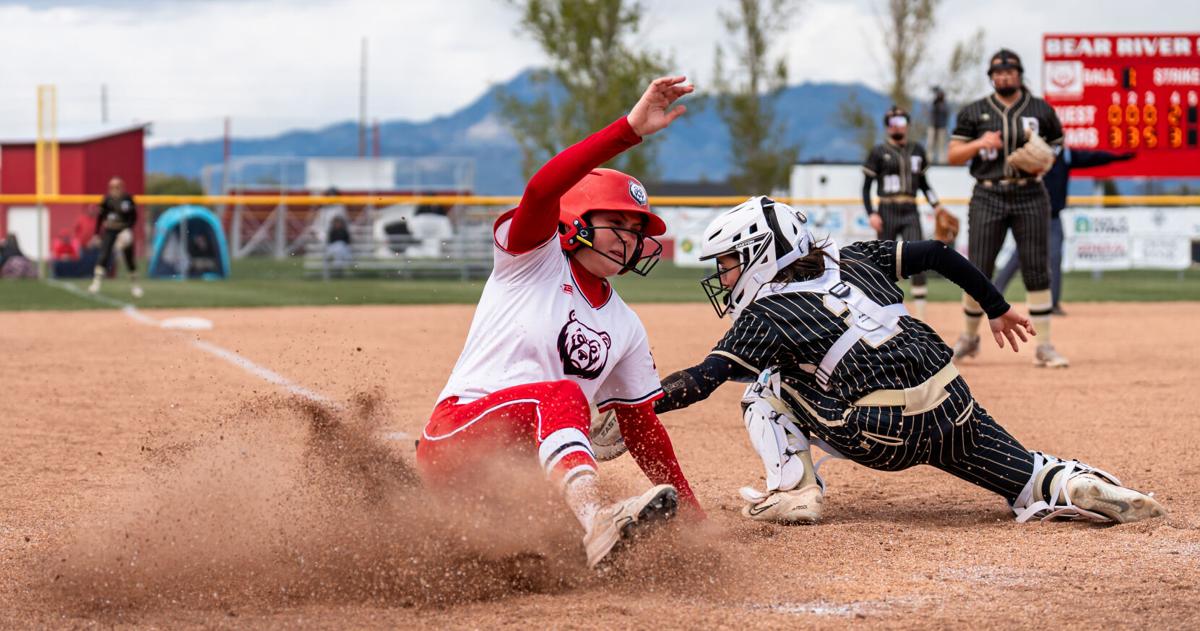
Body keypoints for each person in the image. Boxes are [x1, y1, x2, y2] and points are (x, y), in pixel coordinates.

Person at [652, 195, 1165, 527]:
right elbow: (940, 253)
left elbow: (703, 379)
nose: (723, 277)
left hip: (882, 432)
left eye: (728, 263)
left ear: (762, 254)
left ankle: (795, 490)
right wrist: (998, 308)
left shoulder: (768, 311)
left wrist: (638, 406)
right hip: (951, 403)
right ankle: (1068, 483)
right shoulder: (852, 256)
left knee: (763, 385)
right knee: (1026, 474)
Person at [416, 76, 702, 570]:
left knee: (538, 558)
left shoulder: (626, 326)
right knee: (565, 397)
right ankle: (596, 522)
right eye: (618, 223)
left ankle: (575, 537)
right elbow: (542, 187)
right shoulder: (531, 260)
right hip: (458, 438)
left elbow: (642, 429)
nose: (629, 240)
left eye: (637, 231)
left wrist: (695, 519)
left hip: (520, 483)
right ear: (575, 221)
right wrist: (629, 130)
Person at [947, 49, 1068, 368]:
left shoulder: (1040, 108)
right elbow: (953, 155)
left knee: (1037, 268)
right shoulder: (975, 111)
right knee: (978, 268)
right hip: (988, 193)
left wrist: (1047, 158)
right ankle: (969, 338)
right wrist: (979, 143)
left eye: (1009, 72)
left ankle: (1044, 345)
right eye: (997, 73)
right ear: (991, 77)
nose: (1003, 77)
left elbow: (1057, 141)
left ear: (1019, 74)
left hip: (1030, 193)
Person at [992, 147, 1135, 315]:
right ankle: (993, 295)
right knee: (1019, 256)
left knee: (1054, 257)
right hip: (1031, 215)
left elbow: (1093, 157)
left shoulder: (1066, 155)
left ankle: (1052, 304)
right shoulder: (1035, 154)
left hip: (1053, 218)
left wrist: (1116, 157)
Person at [861, 105, 945, 320]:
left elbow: (925, 184)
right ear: (887, 127)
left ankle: (921, 315)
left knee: (917, 257)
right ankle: (884, 312)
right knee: (883, 261)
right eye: (892, 123)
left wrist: (937, 206)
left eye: (901, 122)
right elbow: (866, 187)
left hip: (910, 209)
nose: (897, 127)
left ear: (907, 125)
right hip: (886, 208)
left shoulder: (917, 150)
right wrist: (871, 213)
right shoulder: (879, 151)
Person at [88, 177, 142, 298]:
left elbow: (134, 217)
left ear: (122, 187)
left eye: (117, 186)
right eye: (112, 187)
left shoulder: (128, 199)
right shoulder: (106, 200)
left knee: (129, 258)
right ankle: (96, 283)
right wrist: (96, 234)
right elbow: (100, 218)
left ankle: (135, 285)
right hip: (110, 230)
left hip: (124, 229)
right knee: (104, 255)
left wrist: (128, 229)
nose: (115, 189)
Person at [927, 87, 949, 163]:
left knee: (941, 145)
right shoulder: (933, 103)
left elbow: (945, 114)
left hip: (941, 127)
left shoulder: (944, 105)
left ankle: (942, 161)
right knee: (930, 144)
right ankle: (929, 160)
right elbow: (931, 113)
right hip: (933, 126)